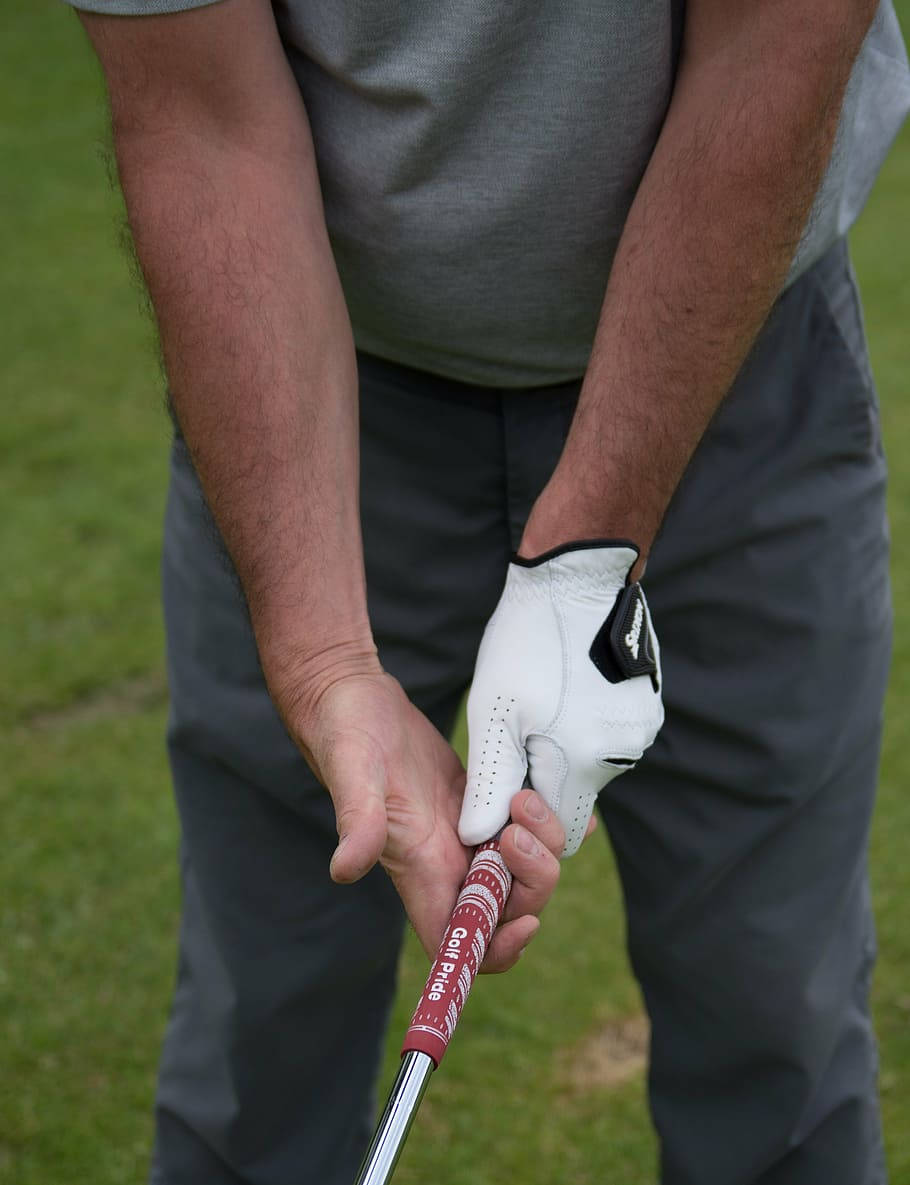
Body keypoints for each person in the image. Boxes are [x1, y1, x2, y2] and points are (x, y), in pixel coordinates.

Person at [70, 0, 910, 1181]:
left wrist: (584, 554)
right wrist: (324, 668)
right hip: (310, 398)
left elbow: (774, 47)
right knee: (259, 1030)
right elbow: (201, 124)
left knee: (774, 1022)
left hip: (734, 356)